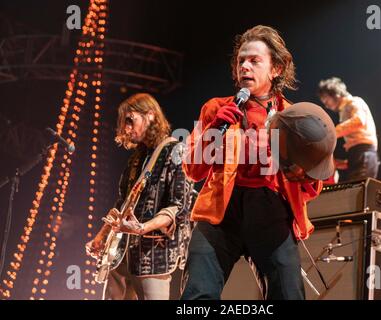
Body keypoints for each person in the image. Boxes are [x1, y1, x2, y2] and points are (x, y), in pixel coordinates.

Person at [180, 25, 336, 300]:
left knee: (288, 296)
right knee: (196, 297)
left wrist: (305, 174)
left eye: (254, 60)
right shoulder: (216, 108)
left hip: (270, 211)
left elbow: (312, 187)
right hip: (221, 210)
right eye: (241, 60)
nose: (245, 67)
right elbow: (192, 170)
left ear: (276, 69)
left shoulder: (294, 117)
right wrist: (213, 131)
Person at [85, 93, 194, 300]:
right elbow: (122, 202)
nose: (126, 128)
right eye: (123, 122)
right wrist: (102, 236)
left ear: (151, 116)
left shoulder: (177, 150)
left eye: (130, 120)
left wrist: (142, 228)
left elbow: (178, 206)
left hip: (152, 255)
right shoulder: (138, 157)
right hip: (121, 254)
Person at [318, 77, 379, 182]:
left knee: (357, 193)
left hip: (364, 153)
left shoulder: (354, 102)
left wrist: (330, 133)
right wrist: (344, 163)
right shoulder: (344, 109)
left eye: (326, 100)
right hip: (360, 154)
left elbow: (359, 121)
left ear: (335, 94)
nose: (326, 105)